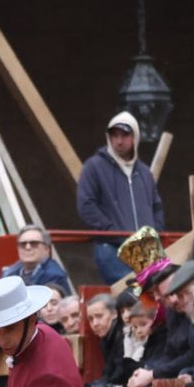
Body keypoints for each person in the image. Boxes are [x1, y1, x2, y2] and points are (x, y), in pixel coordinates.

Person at [76, 111, 164, 283]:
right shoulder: (94, 166)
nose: (119, 141)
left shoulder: (144, 172)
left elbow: (156, 205)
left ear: (135, 137)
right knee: (130, 294)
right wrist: (110, 230)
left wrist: (156, 232)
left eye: (125, 135)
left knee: (157, 295)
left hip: (146, 247)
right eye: (114, 135)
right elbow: (85, 204)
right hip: (112, 247)